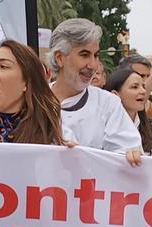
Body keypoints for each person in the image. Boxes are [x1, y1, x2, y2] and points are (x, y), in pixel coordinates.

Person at [48, 18, 141, 152]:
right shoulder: (34, 102)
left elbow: (127, 153)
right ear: (60, 58)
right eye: (84, 55)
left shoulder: (109, 105)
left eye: (96, 55)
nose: (93, 65)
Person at [105, 66, 152, 156]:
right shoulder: (101, 129)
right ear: (115, 95)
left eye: (143, 86)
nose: (143, 91)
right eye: (135, 87)